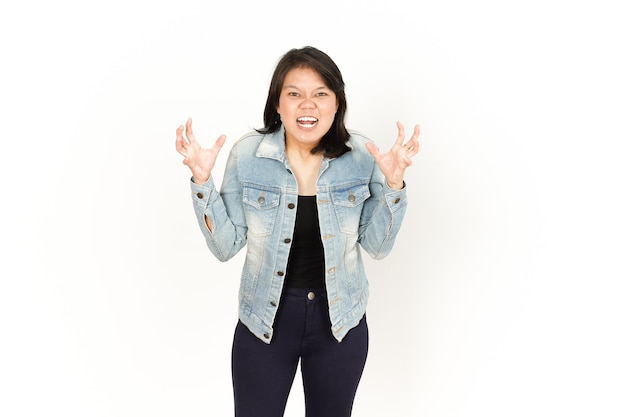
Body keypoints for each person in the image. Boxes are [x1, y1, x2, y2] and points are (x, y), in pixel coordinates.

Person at [175, 46, 420, 417]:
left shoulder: (361, 155)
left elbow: (377, 246)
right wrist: (202, 181)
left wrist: (394, 185)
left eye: (321, 93)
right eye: (295, 94)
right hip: (264, 321)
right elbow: (225, 247)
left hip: (340, 323)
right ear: (278, 103)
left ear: (337, 103)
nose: (308, 105)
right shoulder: (248, 155)